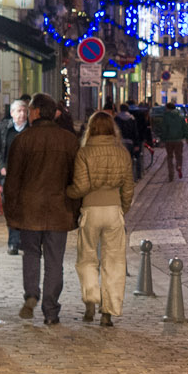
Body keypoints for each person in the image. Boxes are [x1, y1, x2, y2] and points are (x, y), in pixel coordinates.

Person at [3, 93, 79, 325]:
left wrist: (11, 212)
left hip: (30, 209)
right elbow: (76, 178)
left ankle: (32, 294)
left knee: (32, 255)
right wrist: (75, 209)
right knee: (55, 261)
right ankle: (51, 309)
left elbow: (13, 181)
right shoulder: (69, 141)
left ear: (36, 112)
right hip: (59, 209)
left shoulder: (23, 140)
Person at [67, 111, 135, 326]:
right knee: (114, 261)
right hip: (114, 209)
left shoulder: (84, 153)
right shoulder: (122, 152)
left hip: (91, 209)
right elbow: (128, 187)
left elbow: (82, 187)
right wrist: (122, 208)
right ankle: (108, 311)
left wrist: (68, 192)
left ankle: (91, 298)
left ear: (91, 128)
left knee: (87, 258)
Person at [0, 97, 32, 255]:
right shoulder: (4, 128)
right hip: (8, 176)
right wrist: (1, 167)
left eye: (24, 111)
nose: (22, 114)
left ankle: (25, 240)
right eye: (19, 111)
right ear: (12, 113)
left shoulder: (31, 129)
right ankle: (13, 242)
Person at [154, 103, 188, 181]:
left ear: (168, 108)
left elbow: (164, 130)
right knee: (179, 156)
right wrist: (187, 138)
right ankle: (179, 166)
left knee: (170, 157)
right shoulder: (180, 117)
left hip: (169, 141)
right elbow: (185, 128)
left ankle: (171, 174)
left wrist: (162, 140)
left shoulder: (166, 117)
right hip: (178, 140)